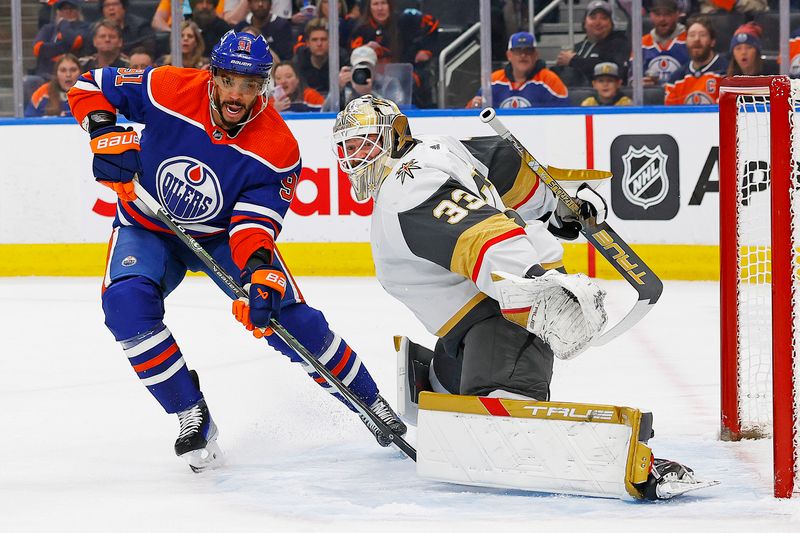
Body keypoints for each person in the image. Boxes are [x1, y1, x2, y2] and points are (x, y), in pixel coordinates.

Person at [330, 94, 710, 501]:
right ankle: (451, 384)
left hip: (507, 310)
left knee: (497, 426)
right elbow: (503, 163)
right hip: (473, 321)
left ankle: (632, 462)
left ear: (396, 134)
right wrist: (556, 204)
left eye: (365, 141)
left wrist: (535, 291)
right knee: (456, 403)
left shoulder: (407, 189)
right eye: (347, 147)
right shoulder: (438, 146)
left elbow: (482, 238)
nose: (356, 156)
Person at [67, 30, 405, 472]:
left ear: (263, 85)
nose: (237, 94)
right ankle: (192, 414)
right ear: (212, 76)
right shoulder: (167, 87)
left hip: (223, 236)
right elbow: (89, 85)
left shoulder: (277, 147)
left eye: (249, 84)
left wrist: (259, 274)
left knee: (287, 317)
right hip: (148, 224)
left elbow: (254, 223)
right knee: (126, 307)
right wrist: (103, 131)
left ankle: (369, 401)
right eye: (229, 80)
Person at [467, 31, 568, 109]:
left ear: (536, 55)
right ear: (509, 55)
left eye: (528, 50)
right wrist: (474, 106)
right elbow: (471, 112)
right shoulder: (494, 80)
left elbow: (565, 115)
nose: (523, 55)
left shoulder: (550, 80)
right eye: (518, 51)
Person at [554, 0, 630, 86]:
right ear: (584, 23)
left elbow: (613, 69)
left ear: (611, 24)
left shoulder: (619, 44)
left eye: (604, 18)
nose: (598, 23)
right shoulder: (578, 47)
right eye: (593, 18)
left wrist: (573, 61)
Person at [664, 17, 728, 105]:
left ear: (712, 41)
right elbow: (670, 114)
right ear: (685, 41)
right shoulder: (677, 78)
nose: (696, 39)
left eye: (702, 35)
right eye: (692, 35)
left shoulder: (727, 73)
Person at [323, 45, 404, 110]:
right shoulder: (347, 83)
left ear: (375, 67)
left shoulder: (388, 83)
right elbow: (324, 113)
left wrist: (369, 94)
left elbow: (397, 112)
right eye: (360, 65)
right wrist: (338, 88)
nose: (363, 70)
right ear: (352, 67)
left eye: (367, 65)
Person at [32, 0, 90, 80]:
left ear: (78, 11)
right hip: (46, 74)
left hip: (74, 76)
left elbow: (75, 42)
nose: (68, 11)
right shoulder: (48, 29)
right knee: (30, 81)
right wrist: (66, 47)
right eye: (64, 9)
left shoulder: (85, 27)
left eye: (71, 8)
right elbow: (38, 49)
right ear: (58, 12)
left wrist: (63, 23)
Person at [294, 18, 350, 95]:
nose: (319, 44)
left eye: (323, 39)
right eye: (314, 40)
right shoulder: (299, 61)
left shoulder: (341, 58)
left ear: (330, 42)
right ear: (307, 43)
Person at [641, 0, 687, 86]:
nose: (662, 19)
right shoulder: (642, 44)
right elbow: (632, 79)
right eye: (658, 14)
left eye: (667, 14)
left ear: (677, 15)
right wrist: (642, 83)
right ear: (651, 16)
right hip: (650, 98)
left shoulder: (689, 40)